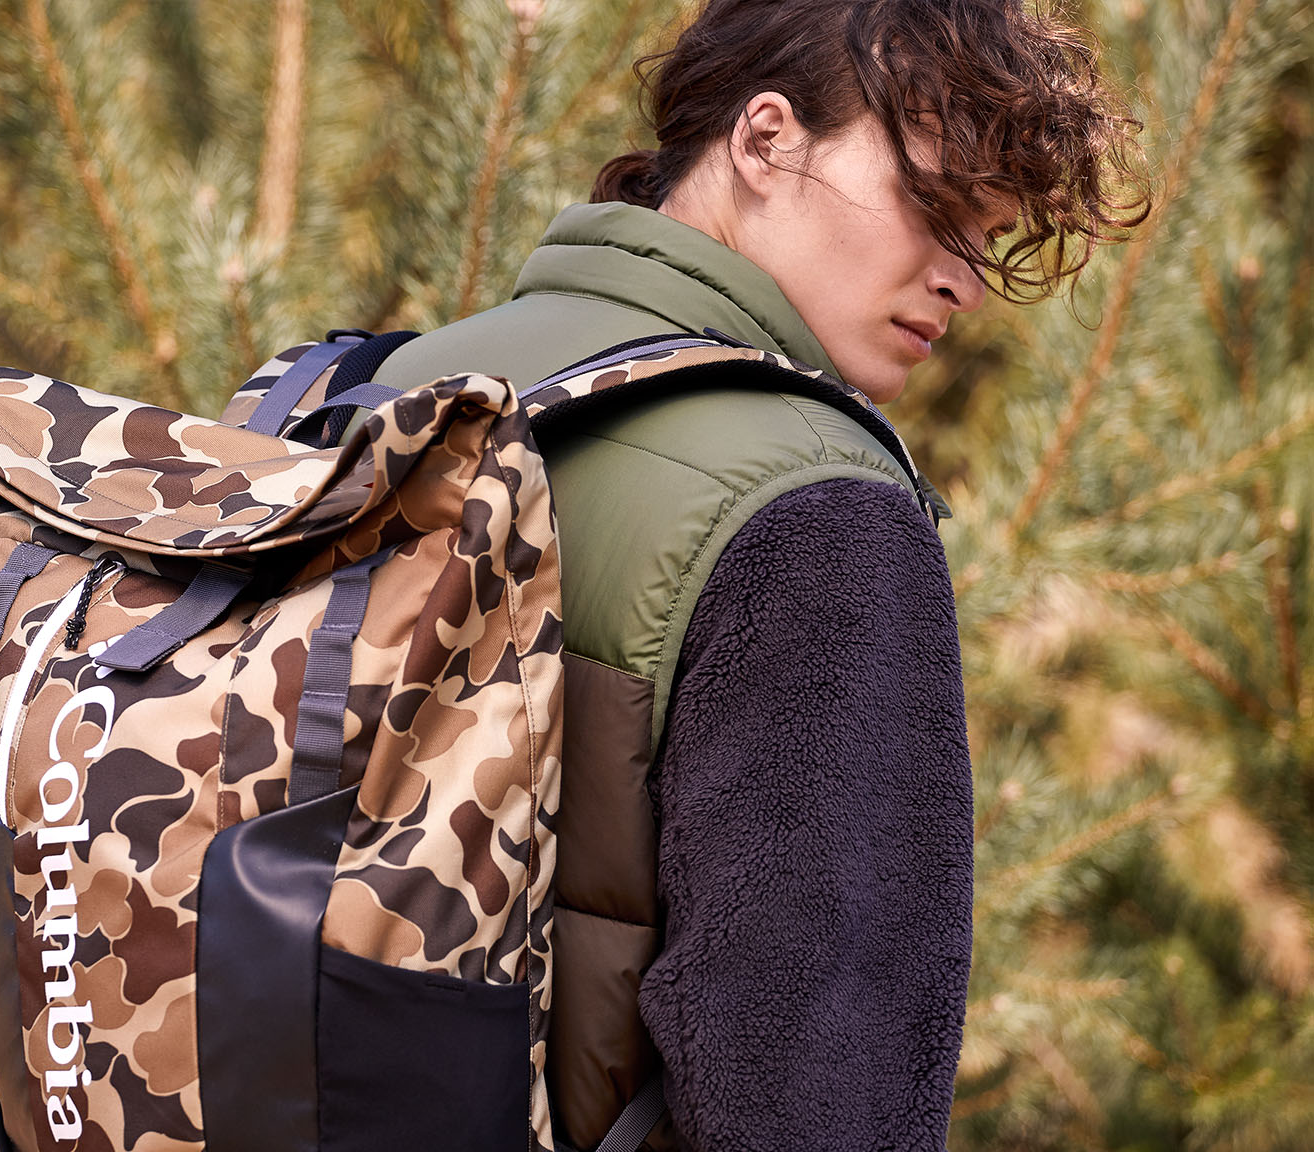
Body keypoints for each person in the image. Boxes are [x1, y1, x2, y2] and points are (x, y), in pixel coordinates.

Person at [370, 1, 1149, 1148]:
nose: (964, 282)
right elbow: (819, 1091)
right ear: (766, 139)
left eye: (983, 239)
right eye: (937, 208)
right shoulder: (816, 505)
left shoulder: (377, 393)